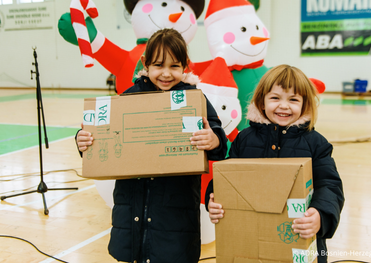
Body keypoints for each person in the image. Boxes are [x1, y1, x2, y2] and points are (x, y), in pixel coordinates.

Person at [77, 28, 228, 263]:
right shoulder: (129, 98)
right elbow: (100, 134)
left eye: (174, 66)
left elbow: (218, 138)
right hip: (132, 207)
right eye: (158, 65)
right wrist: (84, 140)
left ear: (185, 66)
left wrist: (214, 139)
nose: (166, 74)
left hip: (175, 209)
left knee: (172, 255)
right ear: (145, 64)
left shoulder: (193, 98)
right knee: (134, 253)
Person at [205, 65, 344, 263]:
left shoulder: (316, 143)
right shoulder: (245, 139)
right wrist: (214, 198)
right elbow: (227, 176)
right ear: (262, 102)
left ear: (305, 105)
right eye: (275, 98)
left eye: (293, 99)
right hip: (250, 239)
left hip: (299, 235)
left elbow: (330, 185)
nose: (284, 106)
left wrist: (320, 215)